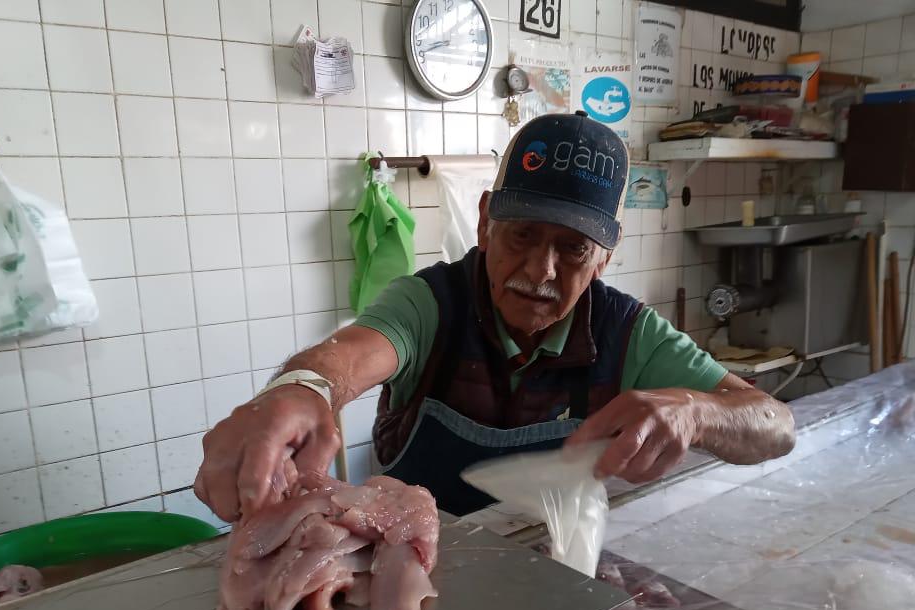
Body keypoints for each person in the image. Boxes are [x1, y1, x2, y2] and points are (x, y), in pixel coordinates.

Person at [195, 112, 795, 519]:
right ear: (484, 221)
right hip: (417, 580)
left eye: (572, 249)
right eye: (521, 236)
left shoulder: (629, 333)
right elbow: (350, 355)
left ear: (606, 256)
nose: (540, 272)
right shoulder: (430, 304)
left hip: (557, 580)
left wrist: (697, 412)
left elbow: (774, 425)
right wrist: (304, 389)